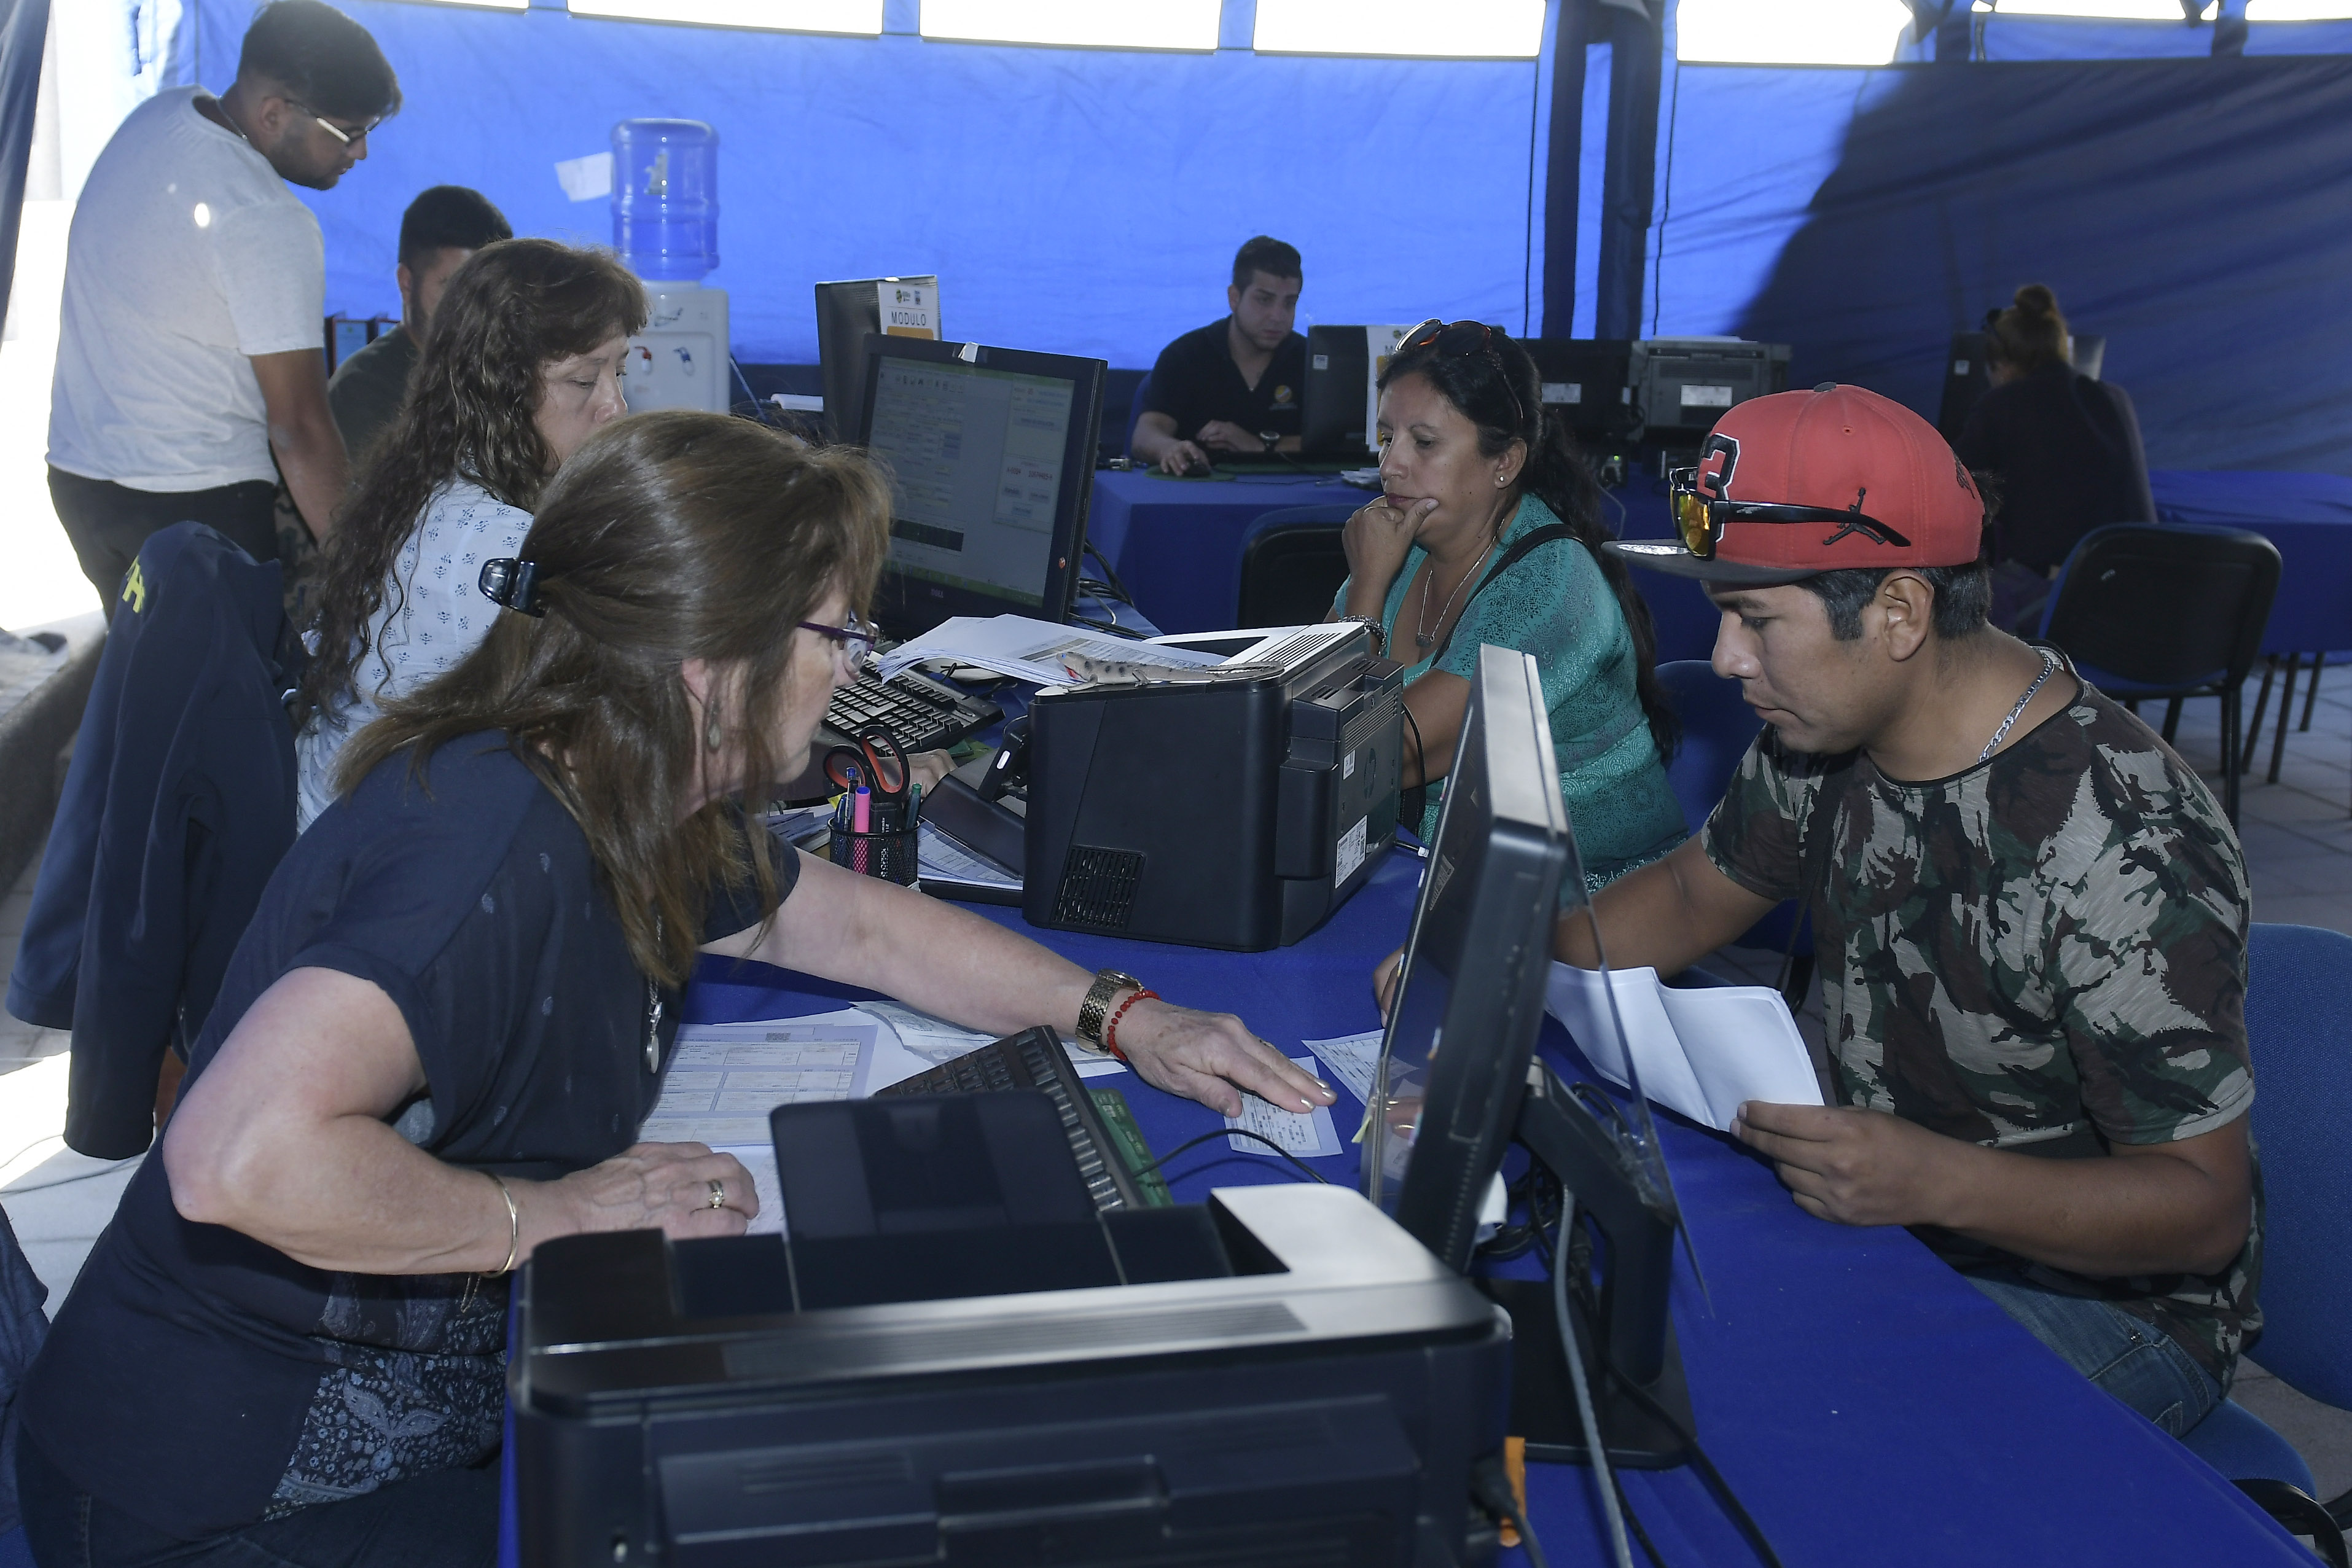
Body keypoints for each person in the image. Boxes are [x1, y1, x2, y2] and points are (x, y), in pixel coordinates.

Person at [17, 412, 1335, 1566]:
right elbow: (234, 1158)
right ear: (712, 661)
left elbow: (861, 930)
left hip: (384, 1424)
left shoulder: (621, 779)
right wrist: (546, 1216)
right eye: (836, 633)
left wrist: (1122, 1014)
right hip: (219, 1500)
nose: (855, 668)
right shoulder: (487, 855)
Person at [1553, 383, 2257, 1436]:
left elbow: (2202, 1212)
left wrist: (1930, 1180)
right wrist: (1501, 955)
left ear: (1895, 611)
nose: (1728, 657)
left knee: (1778, 1425)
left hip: (2115, 1305)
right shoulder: (1818, 729)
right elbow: (1691, 895)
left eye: (1753, 616)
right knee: (1618, 1337)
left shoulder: (2118, 839)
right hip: (1891, 1221)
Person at [46, 0, 398, 614]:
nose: (362, 152)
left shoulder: (159, 116)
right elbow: (298, 429)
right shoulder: (268, 220)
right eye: (351, 130)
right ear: (274, 113)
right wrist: (367, 574)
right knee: (222, 698)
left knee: (148, 678)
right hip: (190, 506)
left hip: (83, 483)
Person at [294, 238, 643, 830]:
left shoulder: (428, 473)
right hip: (379, 856)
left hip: (355, 817)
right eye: (585, 380)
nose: (617, 404)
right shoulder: (497, 550)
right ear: (501, 389)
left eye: (620, 370)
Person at [1326, 320, 1685, 888]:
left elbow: (1373, 758)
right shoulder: (1407, 549)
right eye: (1385, 437)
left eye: (1424, 442)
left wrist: (1366, 592)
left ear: (1506, 462)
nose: (1391, 465)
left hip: (1588, 908)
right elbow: (1302, 714)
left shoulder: (1547, 589)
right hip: (1432, 874)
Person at [1955, 284, 2155, 605]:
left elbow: (1952, 490)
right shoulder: (2115, 399)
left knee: (1952, 611)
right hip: (2142, 588)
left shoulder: (2001, 405)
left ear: (2002, 367)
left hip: (2062, 590)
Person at [328, 185, 514, 462]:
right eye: (451, 288)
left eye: (486, 289)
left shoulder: (509, 373)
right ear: (406, 282)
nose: (471, 307)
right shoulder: (363, 390)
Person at [1133, 236, 1307, 475]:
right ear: (1234, 297)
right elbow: (1146, 434)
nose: (1278, 316)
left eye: (1290, 303)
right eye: (1264, 300)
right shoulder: (1185, 356)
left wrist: (1257, 445)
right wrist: (1169, 448)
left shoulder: (1312, 361)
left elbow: (1342, 443)